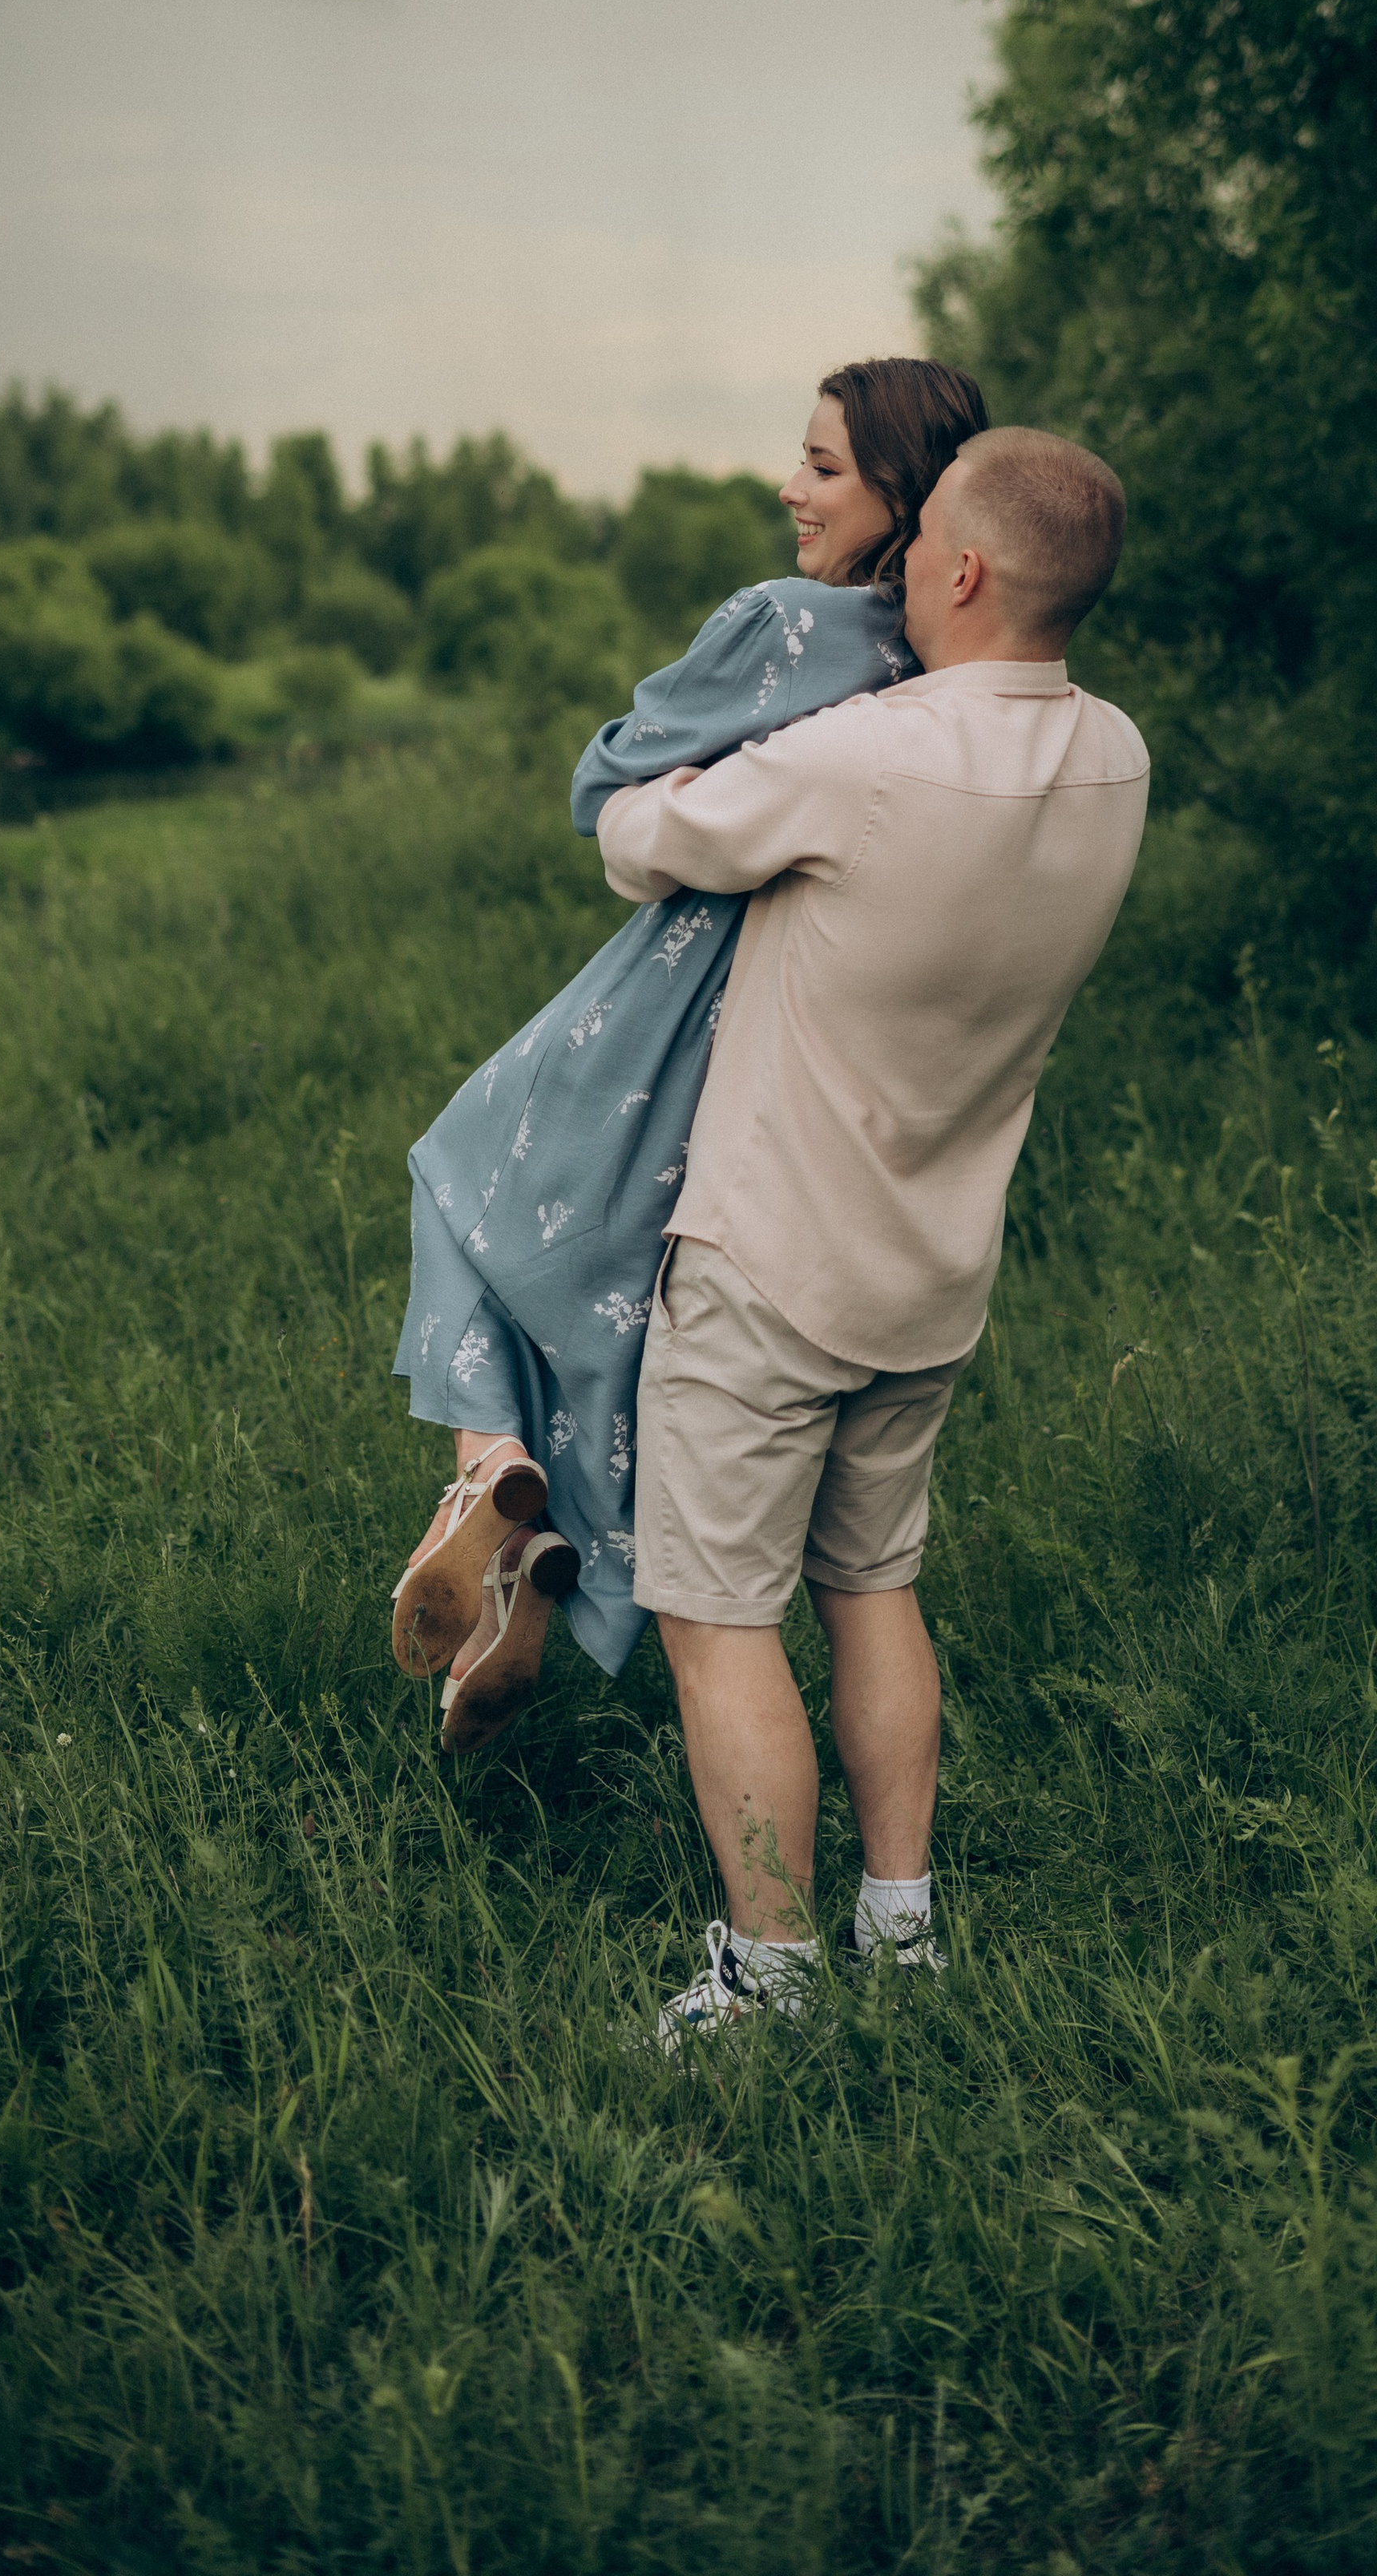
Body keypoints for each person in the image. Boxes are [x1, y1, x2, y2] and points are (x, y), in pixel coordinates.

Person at [591, 425, 1150, 2045]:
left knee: (717, 1622)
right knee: (874, 1586)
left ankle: (766, 1979)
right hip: (932, 1273)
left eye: (918, 549)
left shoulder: (868, 753)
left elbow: (641, 838)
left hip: (771, 1262)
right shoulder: (1115, 756)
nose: (894, 565)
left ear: (962, 570)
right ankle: (900, 1936)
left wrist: (677, 743)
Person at [388, 358, 989, 1748]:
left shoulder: (787, 623)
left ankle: (493, 1475)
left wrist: (671, 776)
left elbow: (605, 782)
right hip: (791, 1025)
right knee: (614, 1301)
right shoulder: (942, 663)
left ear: (904, 488)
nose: (793, 488)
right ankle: (532, 1557)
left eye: (825, 466)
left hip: (670, 991)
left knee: (457, 1170)